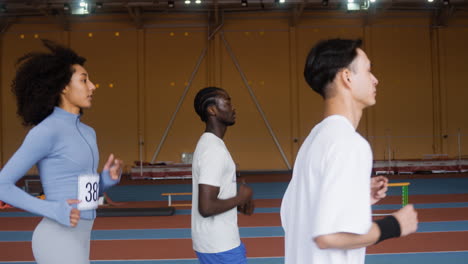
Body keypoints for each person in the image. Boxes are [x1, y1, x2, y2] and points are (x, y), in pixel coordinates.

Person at [280, 38, 418, 264]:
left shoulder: (314, 140)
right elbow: (327, 237)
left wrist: (357, 195)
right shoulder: (350, 144)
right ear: (347, 77)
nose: (375, 79)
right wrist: (395, 225)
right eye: (368, 70)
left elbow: (292, 216)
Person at [0, 39, 123, 264]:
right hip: (57, 238)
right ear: (63, 87)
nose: (92, 86)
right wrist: (52, 209)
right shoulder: (46, 131)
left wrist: (104, 181)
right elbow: (2, 186)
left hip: (83, 235)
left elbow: (82, 194)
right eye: (84, 80)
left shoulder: (89, 133)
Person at [191, 87, 254, 264]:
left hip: (219, 243)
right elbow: (206, 207)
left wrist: (239, 203)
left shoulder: (212, 145)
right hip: (220, 247)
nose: (233, 108)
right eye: (227, 103)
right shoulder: (213, 150)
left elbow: (214, 200)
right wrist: (240, 197)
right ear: (212, 110)